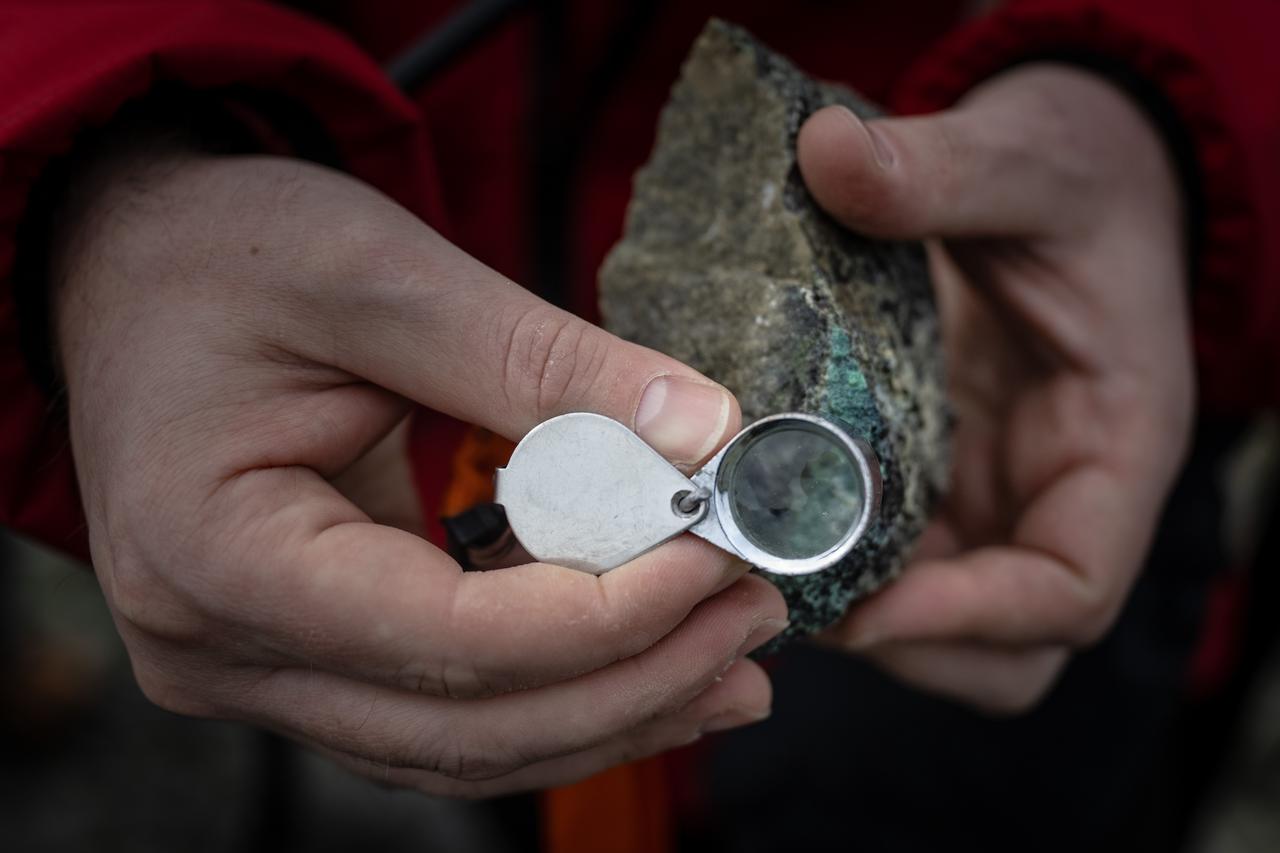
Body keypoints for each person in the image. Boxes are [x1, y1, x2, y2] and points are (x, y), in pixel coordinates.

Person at [1, 0, 1276, 845]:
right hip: (370, 331)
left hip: (1011, 347)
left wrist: (1174, 118)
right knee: (497, 746)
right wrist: (97, 189)